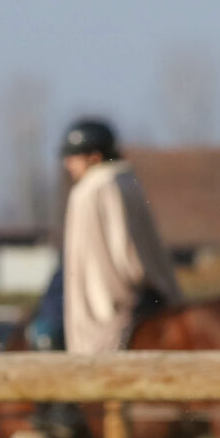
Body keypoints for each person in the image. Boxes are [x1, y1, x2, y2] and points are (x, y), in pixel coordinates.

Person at [58, 118, 180, 354]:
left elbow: (121, 252)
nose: (68, 163)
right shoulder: (128, 181)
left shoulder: (92, 189)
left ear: (95, 157)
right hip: (146, 294)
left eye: (74, 156)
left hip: (109, 309)